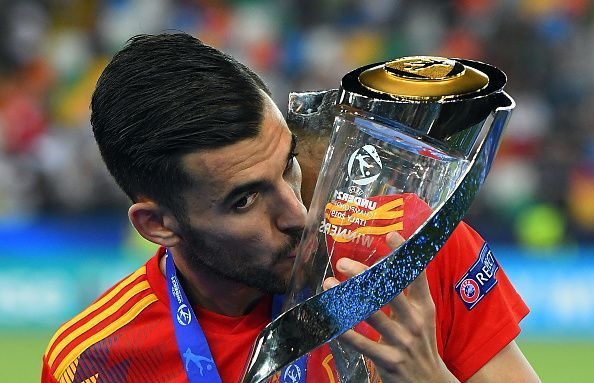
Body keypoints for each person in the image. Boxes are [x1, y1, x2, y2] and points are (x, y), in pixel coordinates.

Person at [41, 33, 540, 383]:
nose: (298, 216)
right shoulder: (90, 363)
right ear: (158, 224)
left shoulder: (407, 251)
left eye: (289, 166)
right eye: (246, 199)